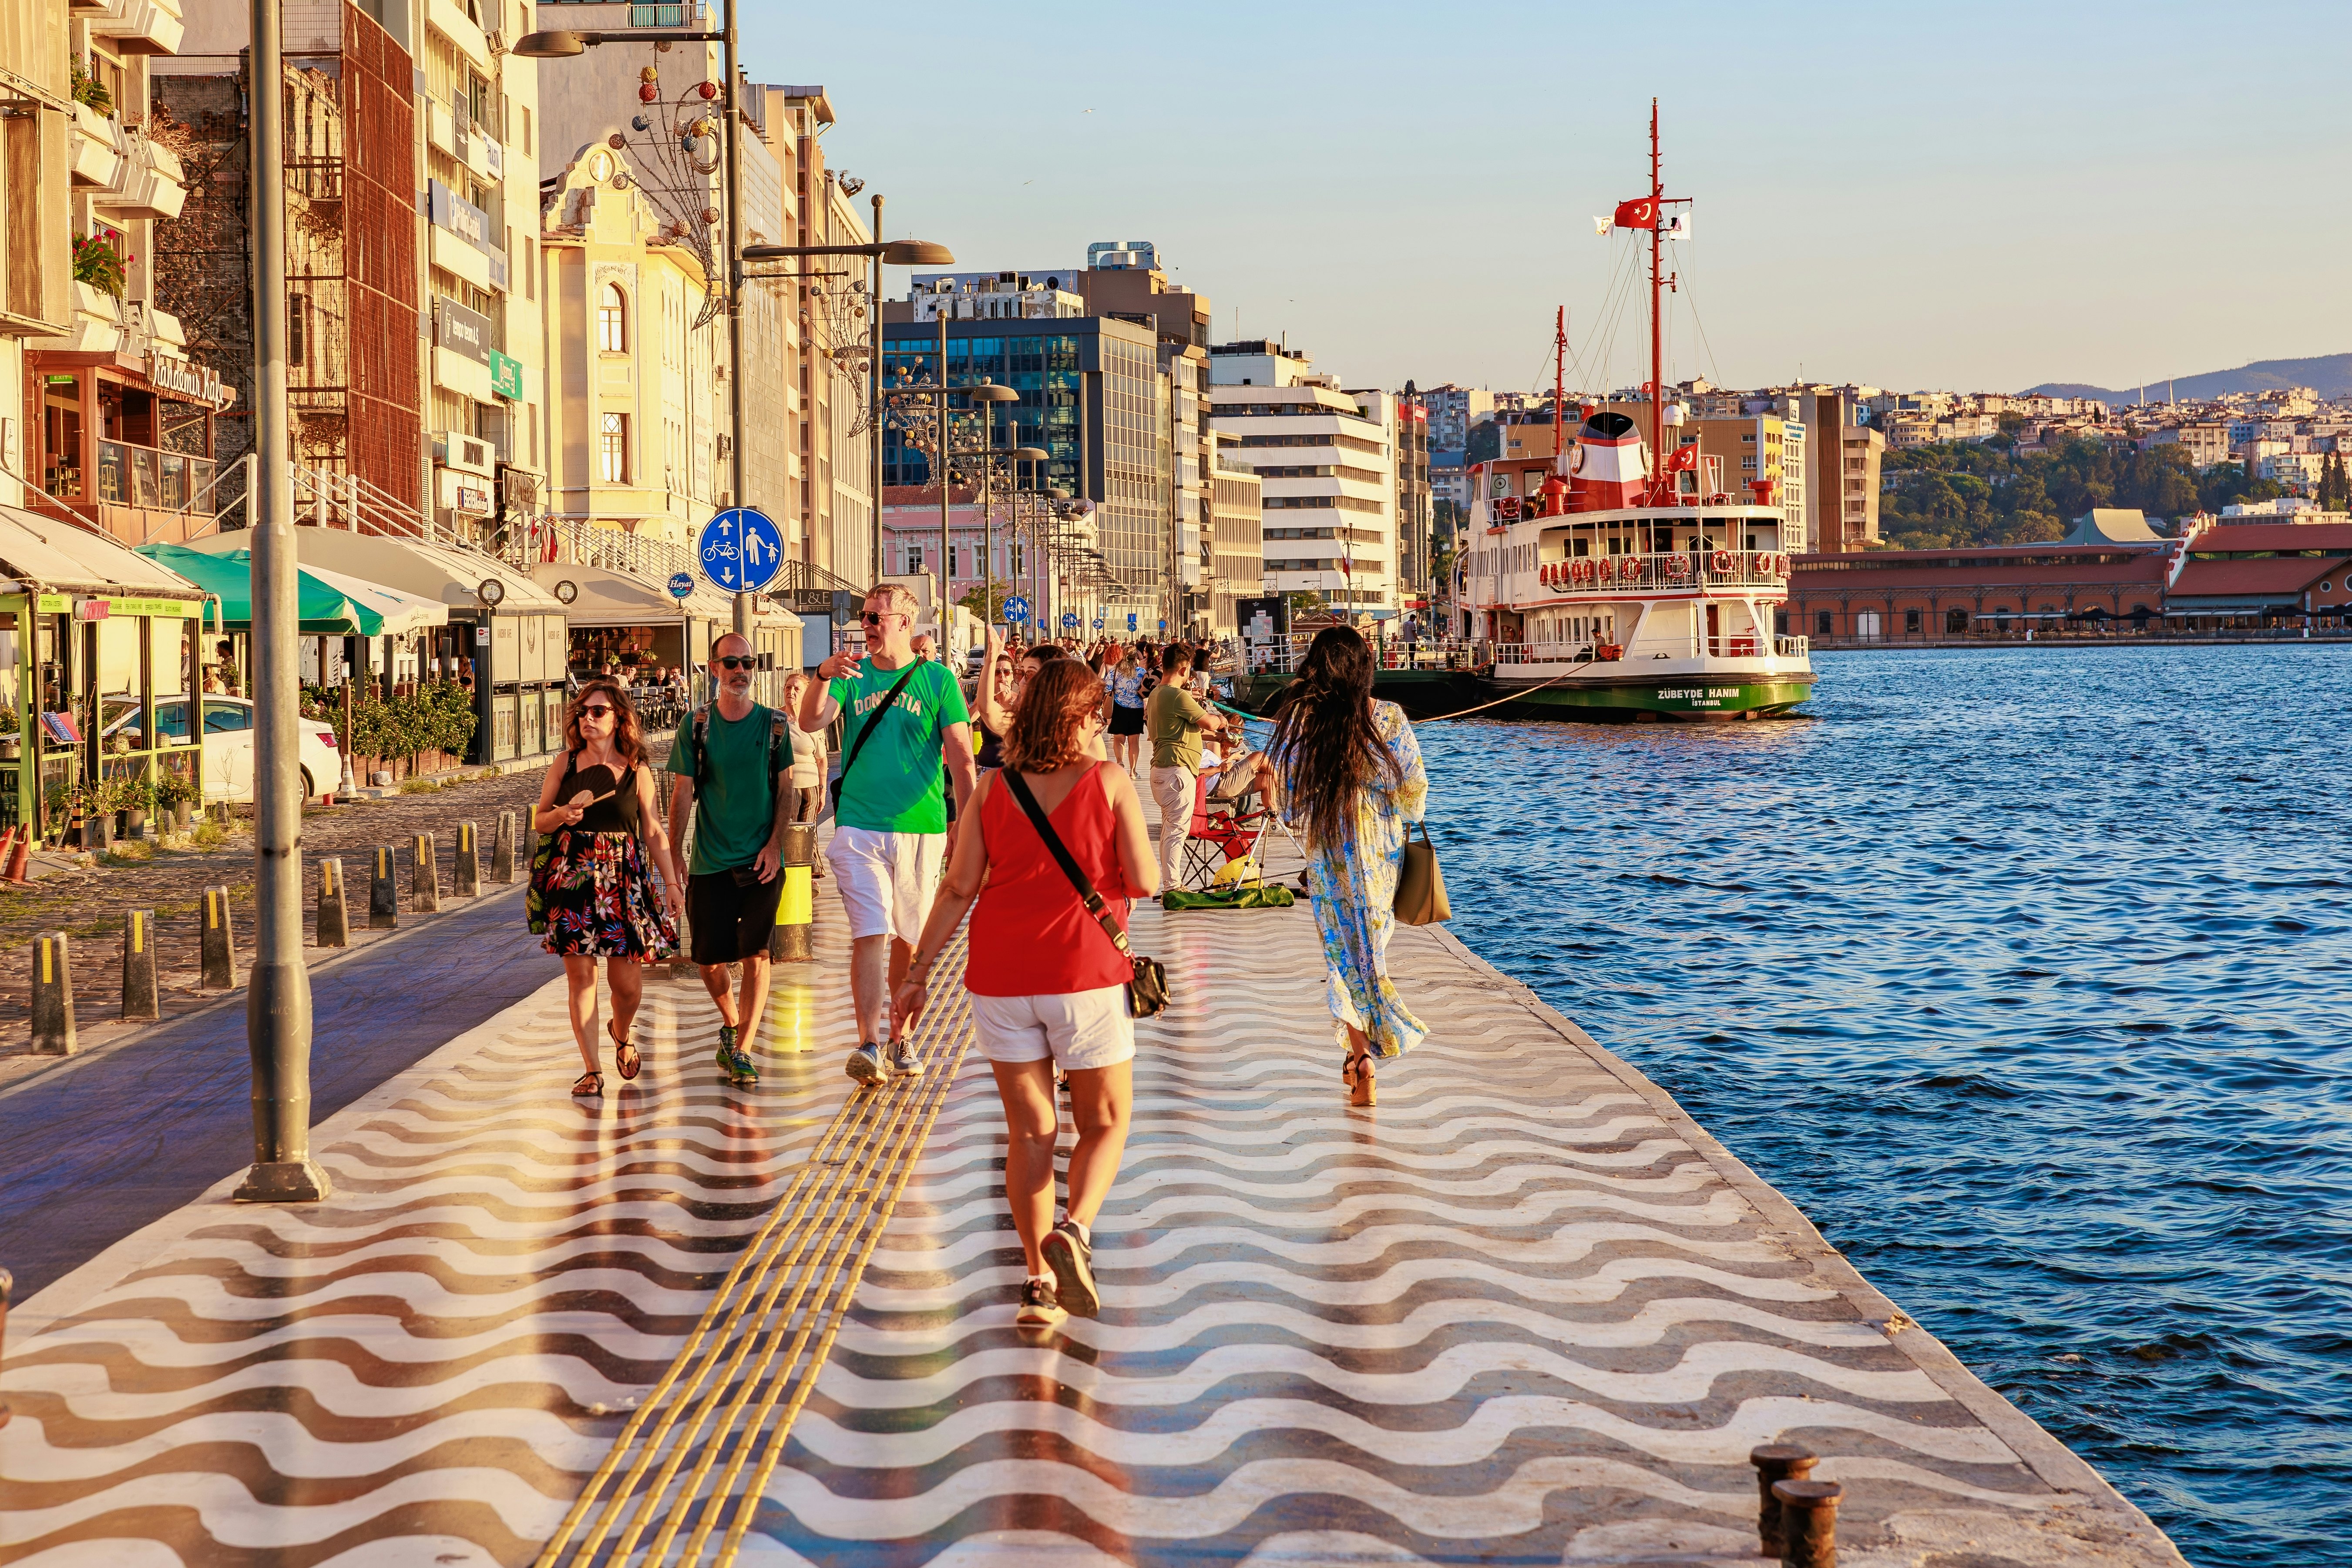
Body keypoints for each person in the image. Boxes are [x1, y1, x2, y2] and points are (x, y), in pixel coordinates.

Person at [892, 659, 1156, 1327]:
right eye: (1098, 712)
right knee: (1105, 1122)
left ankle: (1038, 1283)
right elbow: (1147, 880)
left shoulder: (993, 787)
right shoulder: (1110, 780)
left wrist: (916, 972)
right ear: (1086, 716)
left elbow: (957, 888)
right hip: (1085, 976)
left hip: (1002, 978)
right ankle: (1075, 1230)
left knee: (1031, 1131)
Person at [801, 583, 976, 1086]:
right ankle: (869, 1043)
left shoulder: (938, 681)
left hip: (921, 830)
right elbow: (812, 719)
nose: (868, 625)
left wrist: (968, 827)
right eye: (865, 616)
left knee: (911, 939)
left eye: (877, 616)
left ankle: (902, 1037)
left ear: (905, 621)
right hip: (858, 824)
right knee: (869, 932)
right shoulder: (850, 676)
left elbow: (962, 760)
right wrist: (821, 676)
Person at [1268, 626, 1429, 1108]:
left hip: (1329, 859)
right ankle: (1365, 1053)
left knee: (1342, 958)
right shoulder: (1389, 719)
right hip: (1380, 860)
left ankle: (1361, 1058)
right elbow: (1414, 797)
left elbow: (1292, 805)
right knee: (1371, 953)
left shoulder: (1302, 726)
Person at [532, 679, 685, 1096]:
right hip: (574, 874)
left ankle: (621, 1030)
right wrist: (564, 813)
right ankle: (592, 1070)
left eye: (597, 711)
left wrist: (671, 882)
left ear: (619, 718)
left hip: (623, 879)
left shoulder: (637, 769)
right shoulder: (566, 764)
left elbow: (653, 830)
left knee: (628, 986)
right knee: (580, 975)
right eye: (582, 712)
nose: (587, 719)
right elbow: (540, 820)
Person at [665, 632, 797, 1087]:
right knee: (708, 959)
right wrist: (674, 853)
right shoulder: (696, 724)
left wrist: (774, 846)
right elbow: (683, 792)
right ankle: (729, 1022)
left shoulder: (774, 725)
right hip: (710, 859)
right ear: (713, 668)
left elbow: (787, 790)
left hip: (760, 860)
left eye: (748, 662)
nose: (741, 670)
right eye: (732, 663)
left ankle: (744, 1047)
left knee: (756, 955)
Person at [1144, 642, 1229, 891]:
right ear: (1184, 670)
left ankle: (1172, 882)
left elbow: (1183, 732)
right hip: (1177, 772)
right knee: (1177, 831)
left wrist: (1218, 739)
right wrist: (1221, 720)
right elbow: (1211, 723)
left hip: (1163, 770)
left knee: (1171, 829)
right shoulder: (1177, 695)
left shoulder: (1156, 695)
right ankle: (1173, 886)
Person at [1105, 648, 1146, 775]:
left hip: (1119, 709)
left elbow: (1106, 688)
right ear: (1136, 658)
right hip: (1136, 710)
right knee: (1134, 742)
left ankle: (1120, 762)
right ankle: (1133, 771)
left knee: (1119, 739)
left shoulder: (1115, 671)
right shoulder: (1141, 672)